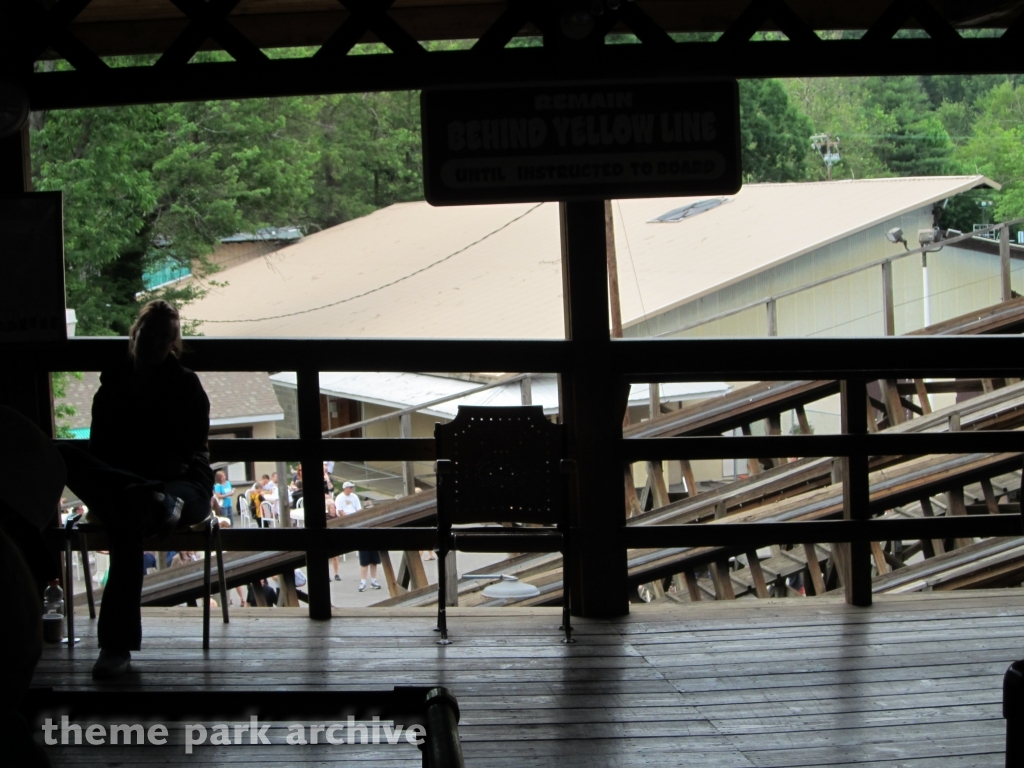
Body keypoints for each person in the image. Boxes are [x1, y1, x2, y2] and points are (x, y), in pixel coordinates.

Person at [57, 299, 214, 680]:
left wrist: (136, 465)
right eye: (150, 333)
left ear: (173, 343)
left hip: (182, 488)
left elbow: (181, 457)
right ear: (135, 333)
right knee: (62, 452)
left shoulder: (185, 385)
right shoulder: (111, 388)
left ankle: (116, 646)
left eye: (165, 337)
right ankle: (148, 494)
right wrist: (145, 469)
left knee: (130, 513)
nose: (156, 342)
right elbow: (101, 453)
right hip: (138, 487)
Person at [336, 483, 379, 591]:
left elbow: (358, 510)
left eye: (352, 487)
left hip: (370, 536)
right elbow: (341, 512)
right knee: (364, 562)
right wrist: (351, 522)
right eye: (350, 487)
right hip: (351, 524)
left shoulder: (354, 497)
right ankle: (363, 582)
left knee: (374, 561)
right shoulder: (340, 498)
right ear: (345, 488)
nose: (352, 489)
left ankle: (374, 581)